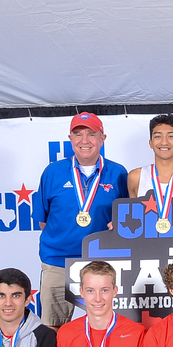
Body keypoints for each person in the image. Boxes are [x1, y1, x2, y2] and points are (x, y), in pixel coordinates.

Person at [34, 112, 129, 329]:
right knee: (52, 328)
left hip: (103, 262)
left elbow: (126, 218)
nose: (84, 140)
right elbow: (43, 220)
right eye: (78, 134)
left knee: (106, 325)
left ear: (102, 138)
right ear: (70, 139)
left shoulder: (118, 173)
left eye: (91, 134)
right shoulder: (53, 172)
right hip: (59, 262)